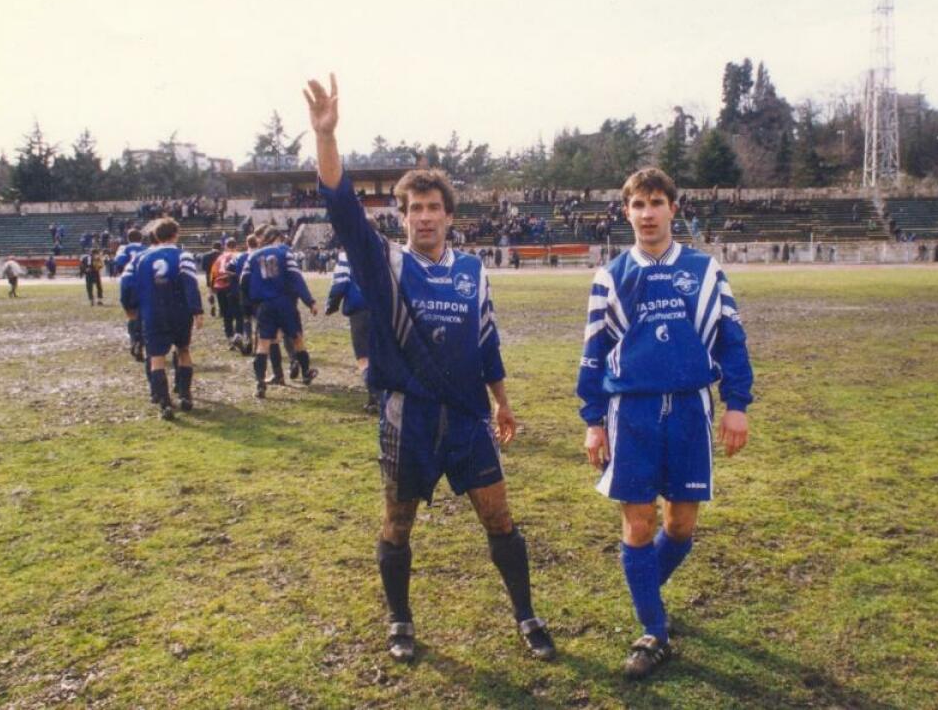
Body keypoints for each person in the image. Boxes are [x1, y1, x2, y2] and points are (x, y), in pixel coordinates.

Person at [306, 74, 555, 663]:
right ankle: (400, 620)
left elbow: (486, 342)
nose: (424, 217)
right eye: (414, 209)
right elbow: (340, 204)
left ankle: (527, 615)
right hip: (407, 417)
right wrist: (327, 137)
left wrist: (502, 401)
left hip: (468, 418)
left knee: (500, 518)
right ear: (402, 217)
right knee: (397, 524)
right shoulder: (384, 263)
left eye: (433, 208)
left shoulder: (473, 271)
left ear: (449, 215)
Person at [577, 167, 753, 680]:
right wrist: (593, 420)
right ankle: (653, 630)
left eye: (656, 203)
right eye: (639, 204)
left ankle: (646, 594)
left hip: (690, 409)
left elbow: (731, 340)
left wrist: (737, 403)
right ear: (626, 212)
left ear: (673, 209)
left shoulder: (704, 269)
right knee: (638, 523)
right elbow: (593, 351)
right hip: (630, 411)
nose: (648, 213)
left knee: (680, 526)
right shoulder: (611, 276)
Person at [120, 218, 204, 420]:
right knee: (183, 350)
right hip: (179, 311)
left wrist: (129, 307)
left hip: (152, 312)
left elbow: (126, 282)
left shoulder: (140, 258)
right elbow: (190, 283)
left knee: (156, 356)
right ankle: (185, 395)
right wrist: (197, 310)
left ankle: (164, 402)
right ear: (176, 235)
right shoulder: (183, 256)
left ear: (156, 236)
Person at [242, 224, 318, 397]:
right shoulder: (285, 253)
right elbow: (296, 279)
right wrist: (310, 301)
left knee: (264, 344)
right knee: (297, 338)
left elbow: (243, 281)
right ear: (277, 238)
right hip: (285, 303)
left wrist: (250, 304)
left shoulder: (253, 256)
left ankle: (260, 383)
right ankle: (306, 373)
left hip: (265, 305)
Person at [326, 249, 378, 412]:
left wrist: (332, 304)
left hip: (359, 309)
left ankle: (374, 396)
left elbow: (340, 282)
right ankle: (384, 396)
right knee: (381, 353)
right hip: (383, 310)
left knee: (363, 357)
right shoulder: (386, 252)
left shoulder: (348, 254)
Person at [115, 229, 149, 362]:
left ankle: (134, 340)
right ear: (141, 239)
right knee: (144, 315)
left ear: (128, 238)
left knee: (131, 315)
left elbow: (119, 263)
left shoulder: (124, 248)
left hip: (128, 282)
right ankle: (141, 342)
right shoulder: (147, 249)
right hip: (144, 283)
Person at [210, 239, 245, 351]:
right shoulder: (238, 256)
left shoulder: (219, 258)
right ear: (236, 246)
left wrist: (211, 291)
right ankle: (238, 335)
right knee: (239, 314)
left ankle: (230, 338)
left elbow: (213, 274)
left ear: (225, 247)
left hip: (220, 286)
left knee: (226, 315)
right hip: (233, 286)